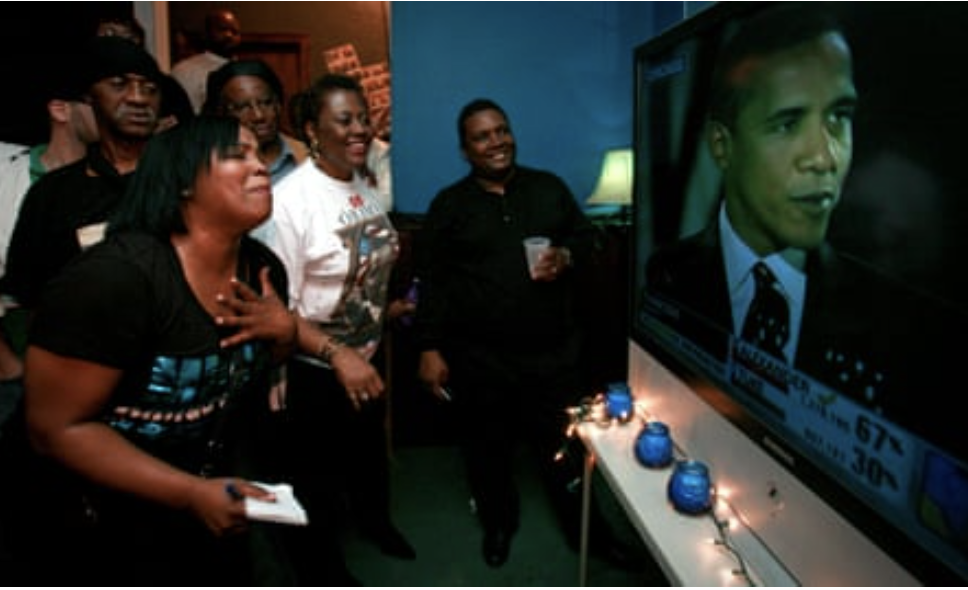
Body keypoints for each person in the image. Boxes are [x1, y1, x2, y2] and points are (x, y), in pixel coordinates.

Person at [0, 115, 298, 585]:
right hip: (90, 517)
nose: (260, 166)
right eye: (236, 155)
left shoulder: (263, 271)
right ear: (182, 182)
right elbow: (55, 429)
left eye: (259, 154)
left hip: (194, 499)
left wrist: (284, 336)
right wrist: (189, 493)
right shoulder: (115, 279)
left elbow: (239, 379)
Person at [643, 5, 961, 434]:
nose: (825, 158)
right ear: (722, 146)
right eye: (787, 123)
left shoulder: (904, 327)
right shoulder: (668, 272)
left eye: (839, 117)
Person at [411, 98, 605, 567]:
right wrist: (429, 347)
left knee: (567, 446)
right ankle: (498, 525)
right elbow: (431, 281)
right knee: (486, 450)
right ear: (465, 150)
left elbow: (587, 237)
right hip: (480, 358)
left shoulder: (548, 188)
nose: (496, 141)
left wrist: (567, 256)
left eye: (502, 130)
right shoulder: (449, 205)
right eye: (482, 136)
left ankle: (590, 532)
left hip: (551, 353)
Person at [258, 73, 414, 585]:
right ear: (310, 129)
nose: (360, 129)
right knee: (315, 480)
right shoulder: (290, 201)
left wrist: (383, 311)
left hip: (364, 355)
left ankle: (377, 523)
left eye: (364, 118)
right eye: (344, 120)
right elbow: (274, 310)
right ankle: (323, 571)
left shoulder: (361, 182)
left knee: (367, 457)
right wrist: (336, 355)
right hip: (313, 368)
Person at [0, 36, 162, 313]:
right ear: (90, 97)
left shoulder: (184, 180)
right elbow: (22, 295)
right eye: (119, 84)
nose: (138, 98)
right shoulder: (53, 192)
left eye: (150, 89)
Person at [0, 58, 98, 418]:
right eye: (95, 99)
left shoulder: (111, 183)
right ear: (61, 109)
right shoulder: (7, 175)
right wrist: (10, 367)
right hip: (16, 364)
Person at [204, 58, 309, 185]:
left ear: (278, 105)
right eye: (242, 107)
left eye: (266, 103)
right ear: (221, 114)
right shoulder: (207, 166)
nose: (259, 116)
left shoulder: (309, 157)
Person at [171, 9, 242, 114]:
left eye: (235, 32)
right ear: (207, 33)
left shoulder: (244, 69)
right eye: (222, 29)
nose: (229, 35)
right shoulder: (185, 70)